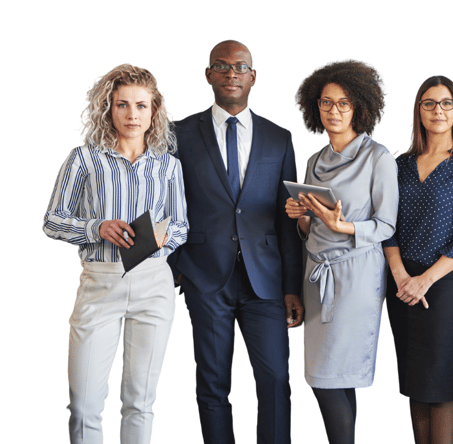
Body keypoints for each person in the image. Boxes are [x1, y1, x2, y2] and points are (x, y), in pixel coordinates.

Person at [43, 64, 188, 444]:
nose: (132, 115)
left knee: (140, 403)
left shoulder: (168, 166)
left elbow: (182, 227)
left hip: (154, 285)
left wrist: (160, 235)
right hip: (100, 283)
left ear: (154, 110)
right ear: (108, 109)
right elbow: (53, 221)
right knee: (85, 404)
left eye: (141, 105)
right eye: (122, 105)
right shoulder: (85, 159)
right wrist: (96, 227)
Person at [168, 40, 303, 443]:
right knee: (212, 385)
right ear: (208, 74)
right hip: (206, 278)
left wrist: (292, 288)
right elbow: (166, 203)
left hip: (265, 283)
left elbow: (287, 218)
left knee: (277, 381)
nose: (231, 73)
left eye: (240, 66)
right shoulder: (178, 135)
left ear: (253, 76)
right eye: (222, 66)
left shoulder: (278, 138)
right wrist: (179, 271)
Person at [286, 60, 397, 444]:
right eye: (326, 103)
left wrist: (342, 226)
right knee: (326, 376)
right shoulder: (315, 161)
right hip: (316, 276)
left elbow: (386, 226)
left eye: (344, 103)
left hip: (354, 279)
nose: (334, 111)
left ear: (360, 108)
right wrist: (301, 216)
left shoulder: (377, 157)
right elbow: (309, 229)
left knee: (332, 376)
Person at [382, 75, 453, 444]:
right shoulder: (400, 165)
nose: (438, 110)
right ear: (419, 111)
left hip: (444, 285)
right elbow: (387, 225)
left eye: (446, 103)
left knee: (439, 379)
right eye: (429, 103)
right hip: (401, 284)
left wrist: (424, 280)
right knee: (416, 380)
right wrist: (401, 277)